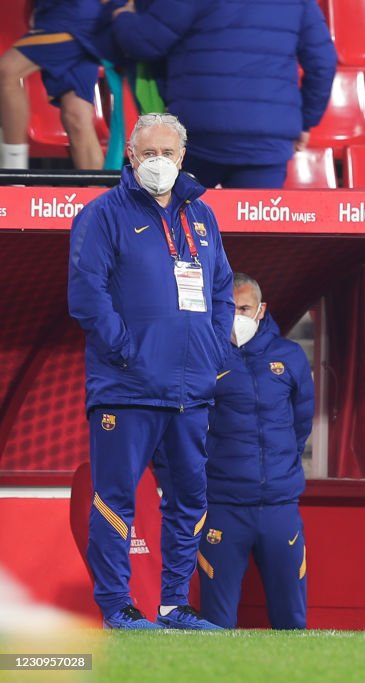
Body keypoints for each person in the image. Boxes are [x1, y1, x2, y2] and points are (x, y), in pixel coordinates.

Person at [68, 113, 234, 630]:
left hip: (190, 391)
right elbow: (87, 295)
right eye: (148, 154)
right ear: (131, 158)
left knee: (190, 502)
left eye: (167, 153)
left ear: (182, 157)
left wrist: (213, 351)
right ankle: (117, 606)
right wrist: (126, 351)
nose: (158, 162)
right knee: (115, 500)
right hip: (128, 387)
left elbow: (222, 290)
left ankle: (174, 605)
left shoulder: (202, 217)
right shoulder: (102, 215)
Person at [99, 0, 336, 188]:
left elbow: (145, 42)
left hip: (200, 133)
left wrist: (123, 16)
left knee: (179, 233)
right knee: (255, 236)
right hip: (265, 140)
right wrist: (305, 121)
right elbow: (323, 63)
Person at [197, 273, 314, 630]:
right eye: (228, 308)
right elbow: (186, 429)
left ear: (261, 310)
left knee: (292, 622)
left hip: (280, 506)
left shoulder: (290, 357)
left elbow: (301, 423)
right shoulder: (204, 355)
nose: (236, 315)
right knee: (215, 625)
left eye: (244, 308)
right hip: (223, 506)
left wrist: (279, 470)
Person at [0, 0, 104, 169]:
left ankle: (14, 173)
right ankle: (95, 190)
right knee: (76, 115)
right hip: (80, 21)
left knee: (6, 73)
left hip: (72, 18)